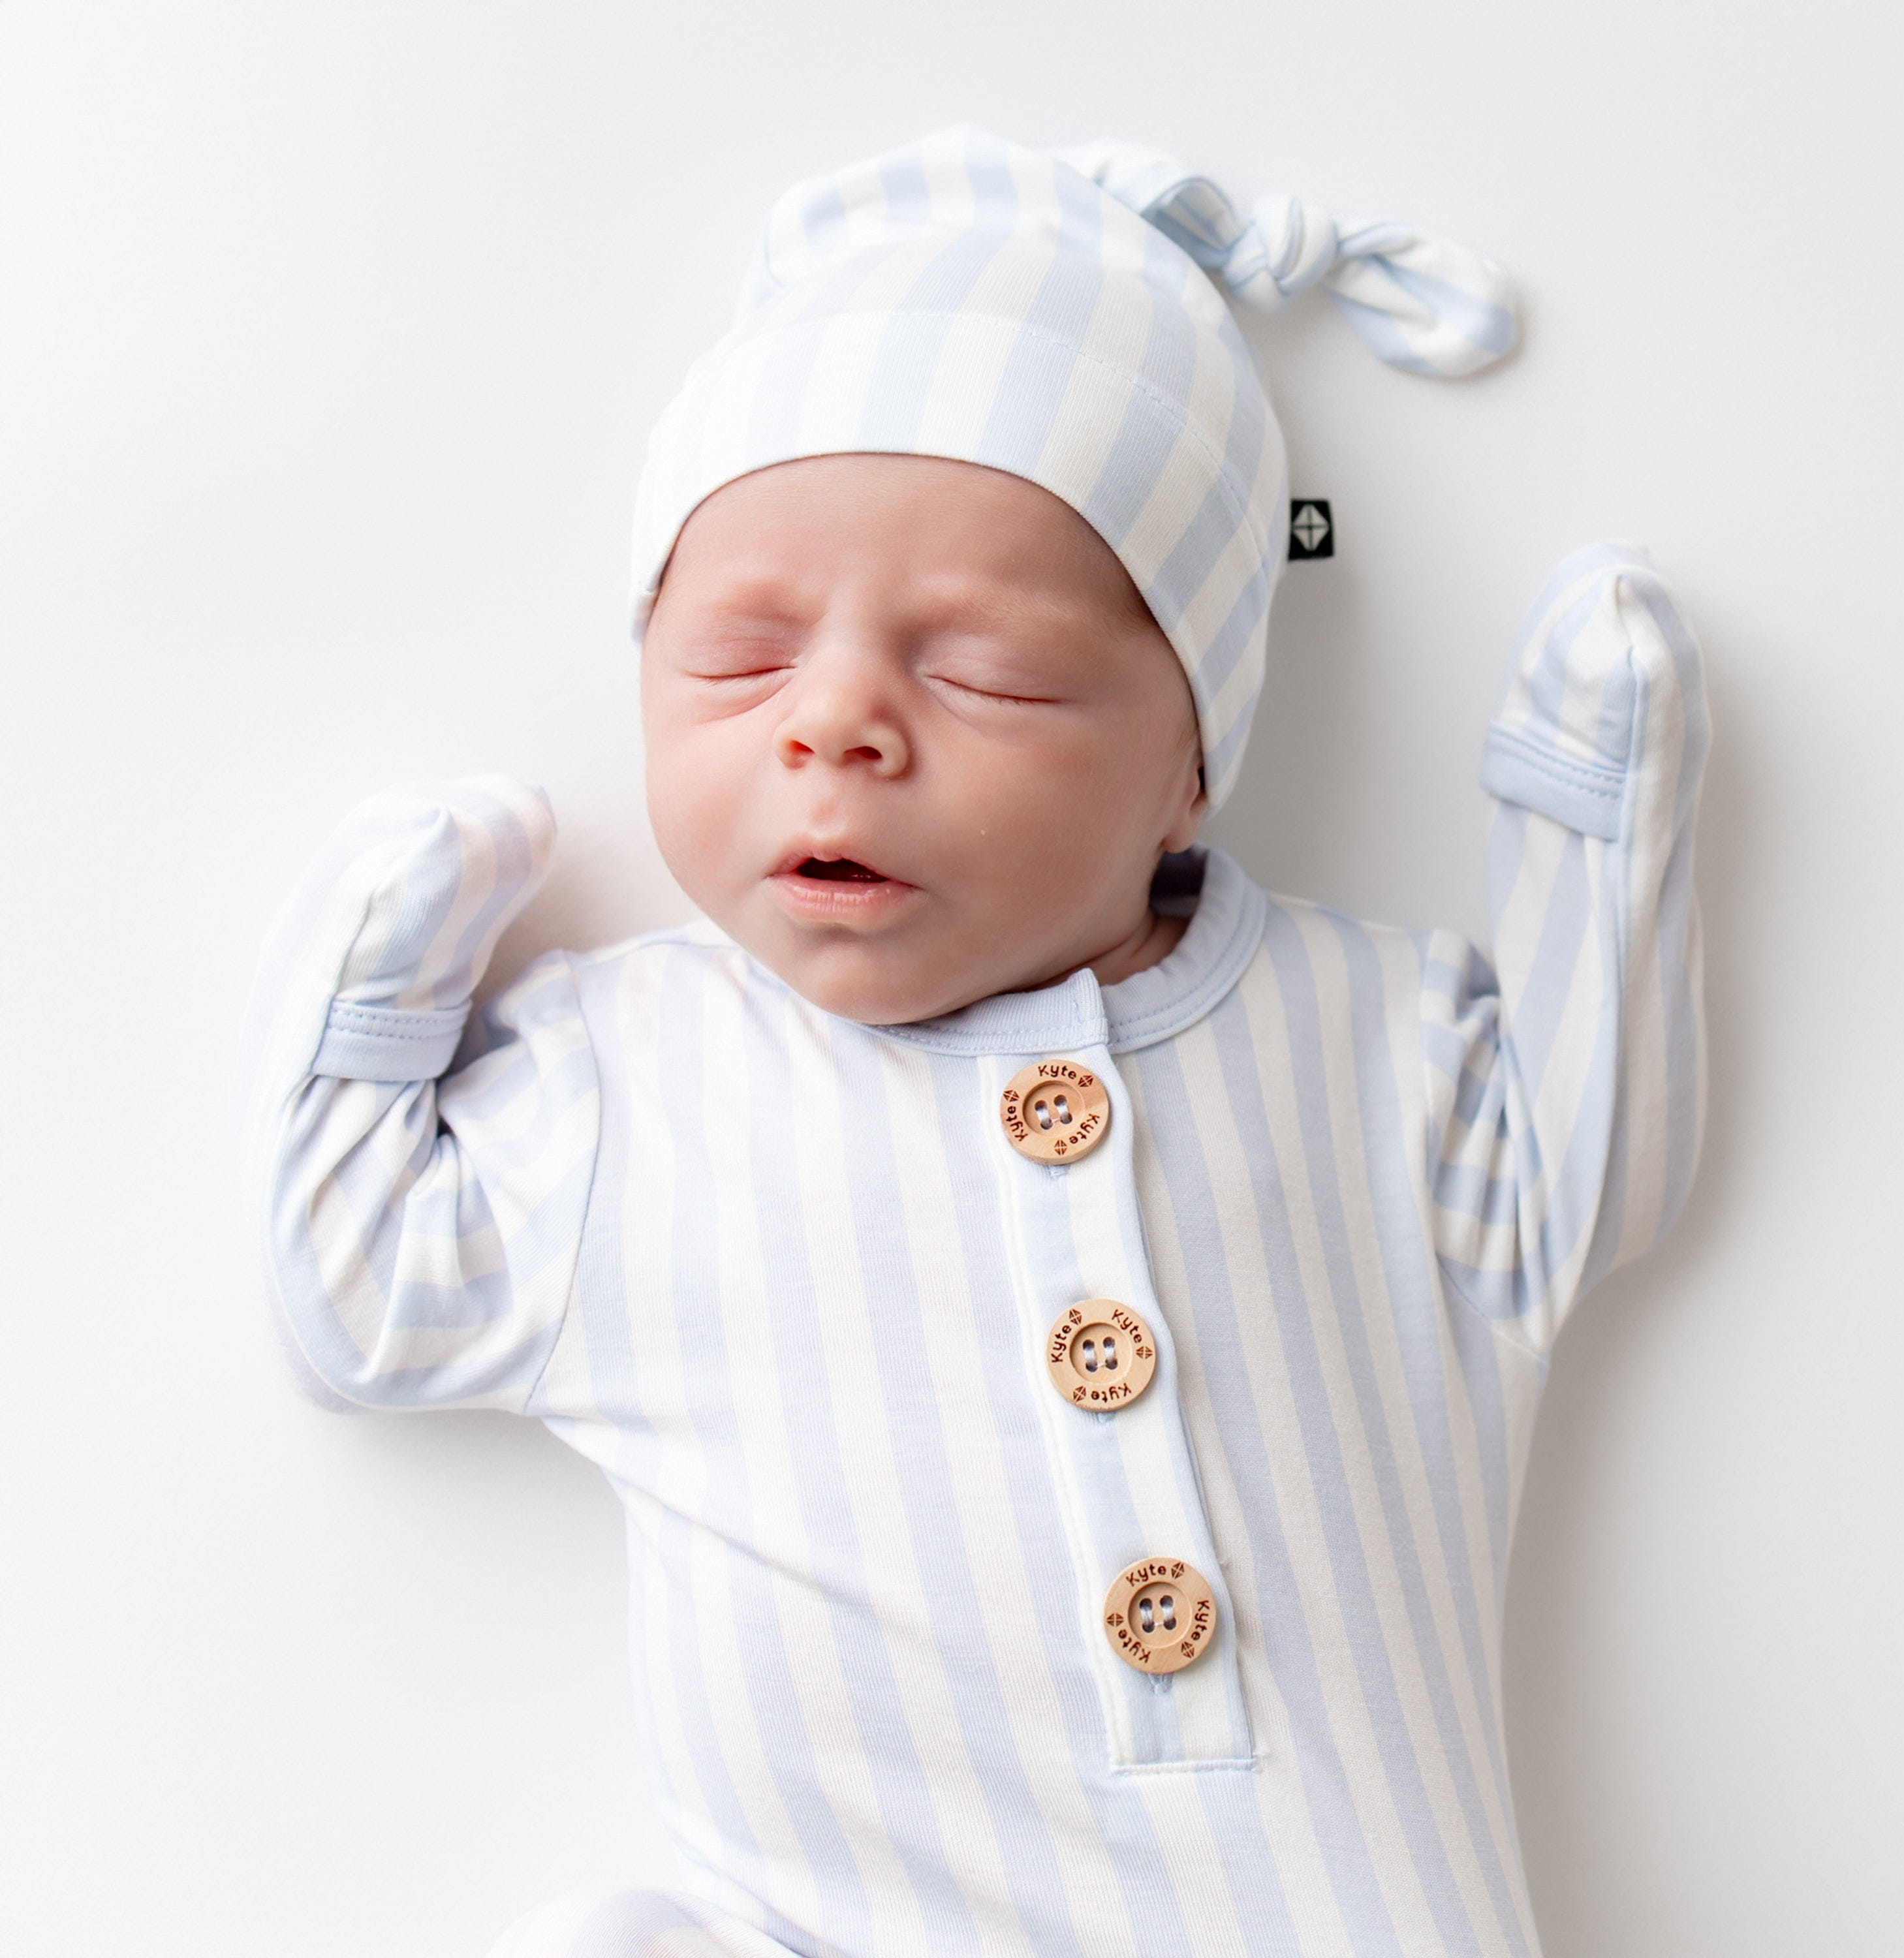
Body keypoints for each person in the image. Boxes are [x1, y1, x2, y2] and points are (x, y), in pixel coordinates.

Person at [243, 125, 1709, 1958]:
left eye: (985, 673)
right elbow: (362, 1302)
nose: (835, 724)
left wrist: (1592, 813)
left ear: (1190, 762)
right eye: (735, 660)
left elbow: (1591, 1178)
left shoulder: (1359, 1037)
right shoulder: (638, 1082)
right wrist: (375, 993)